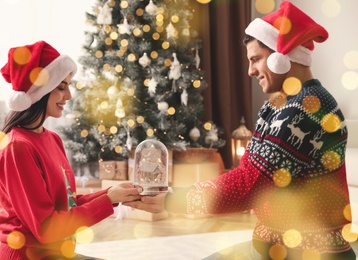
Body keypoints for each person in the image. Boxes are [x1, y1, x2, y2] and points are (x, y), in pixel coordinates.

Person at [124, 2, 357, 259]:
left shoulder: (307, 108)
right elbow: (247, 170)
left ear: (282, 57)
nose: (250, 71)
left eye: (256, 59)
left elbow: (250, 186)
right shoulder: (281, 104)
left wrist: (173, 199)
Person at [0, 40, 141, 259]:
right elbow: (46, 227)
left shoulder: (52, 139)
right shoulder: (17, 148)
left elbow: (65, 204)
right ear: (39, 92)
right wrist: (107, 201)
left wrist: (111, 194)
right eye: (61, 87)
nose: (69, 96)